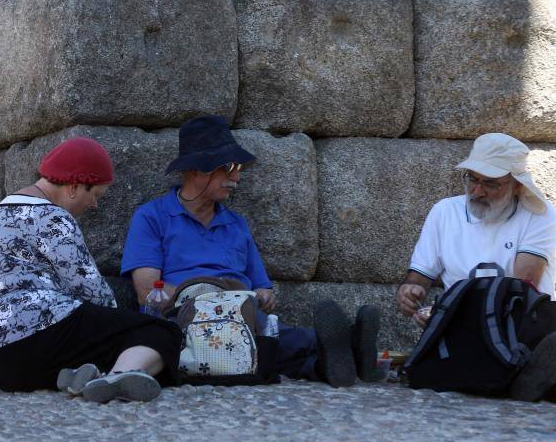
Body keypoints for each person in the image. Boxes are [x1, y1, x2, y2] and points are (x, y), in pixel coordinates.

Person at [121, 115, 381, 387]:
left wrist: (263, 296)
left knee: (272, 337)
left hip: (244, 321)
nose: (236, 176)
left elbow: (263, 289)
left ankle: (334, 358)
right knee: (278, 343)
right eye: (228, 167)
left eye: (239, 168)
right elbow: (147, 290)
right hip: (186, 319)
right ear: (197, 169)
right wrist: (214, 304)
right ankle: (346, 349)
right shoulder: (152, 217)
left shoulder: (236, 224)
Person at [0, 137, 182, 403]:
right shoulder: (53, 217)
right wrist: (125, 326)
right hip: (41, 338)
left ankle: (84, 375)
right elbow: (94, 292)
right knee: (160, 332)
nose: (94, 205)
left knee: (99, 339)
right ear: (74, 186)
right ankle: (120, 375)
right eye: (95, 195)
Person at [396, 132, 556, 400]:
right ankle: (516, 379)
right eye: (472, 179)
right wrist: (410, 292)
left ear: (517, 185)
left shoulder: (541, 215)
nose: (477, 191)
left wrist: (450, 310)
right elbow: (419, 277)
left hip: (518, 325)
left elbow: (522, 284)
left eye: (491, 184)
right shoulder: (444, 212)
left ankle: (518, 372)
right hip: (462, 330)